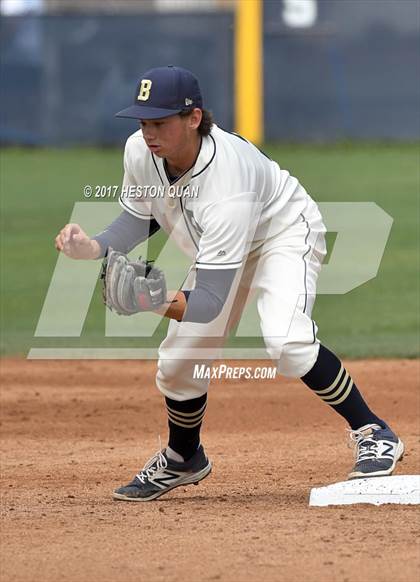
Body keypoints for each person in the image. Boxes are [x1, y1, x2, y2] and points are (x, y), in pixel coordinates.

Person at [55, 66, 404, 502]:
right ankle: (184, 458)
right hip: (221, 248)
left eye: (160, 122)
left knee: (287, 340)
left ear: (194, 118)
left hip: (280, 233)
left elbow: (209, 302)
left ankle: (374, 431)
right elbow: (139, 215)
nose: (149, 133)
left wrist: (152, 300)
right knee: (179, 361)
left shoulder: (227, 181)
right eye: (144, 122)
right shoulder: (139, 152)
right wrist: (93, 246)